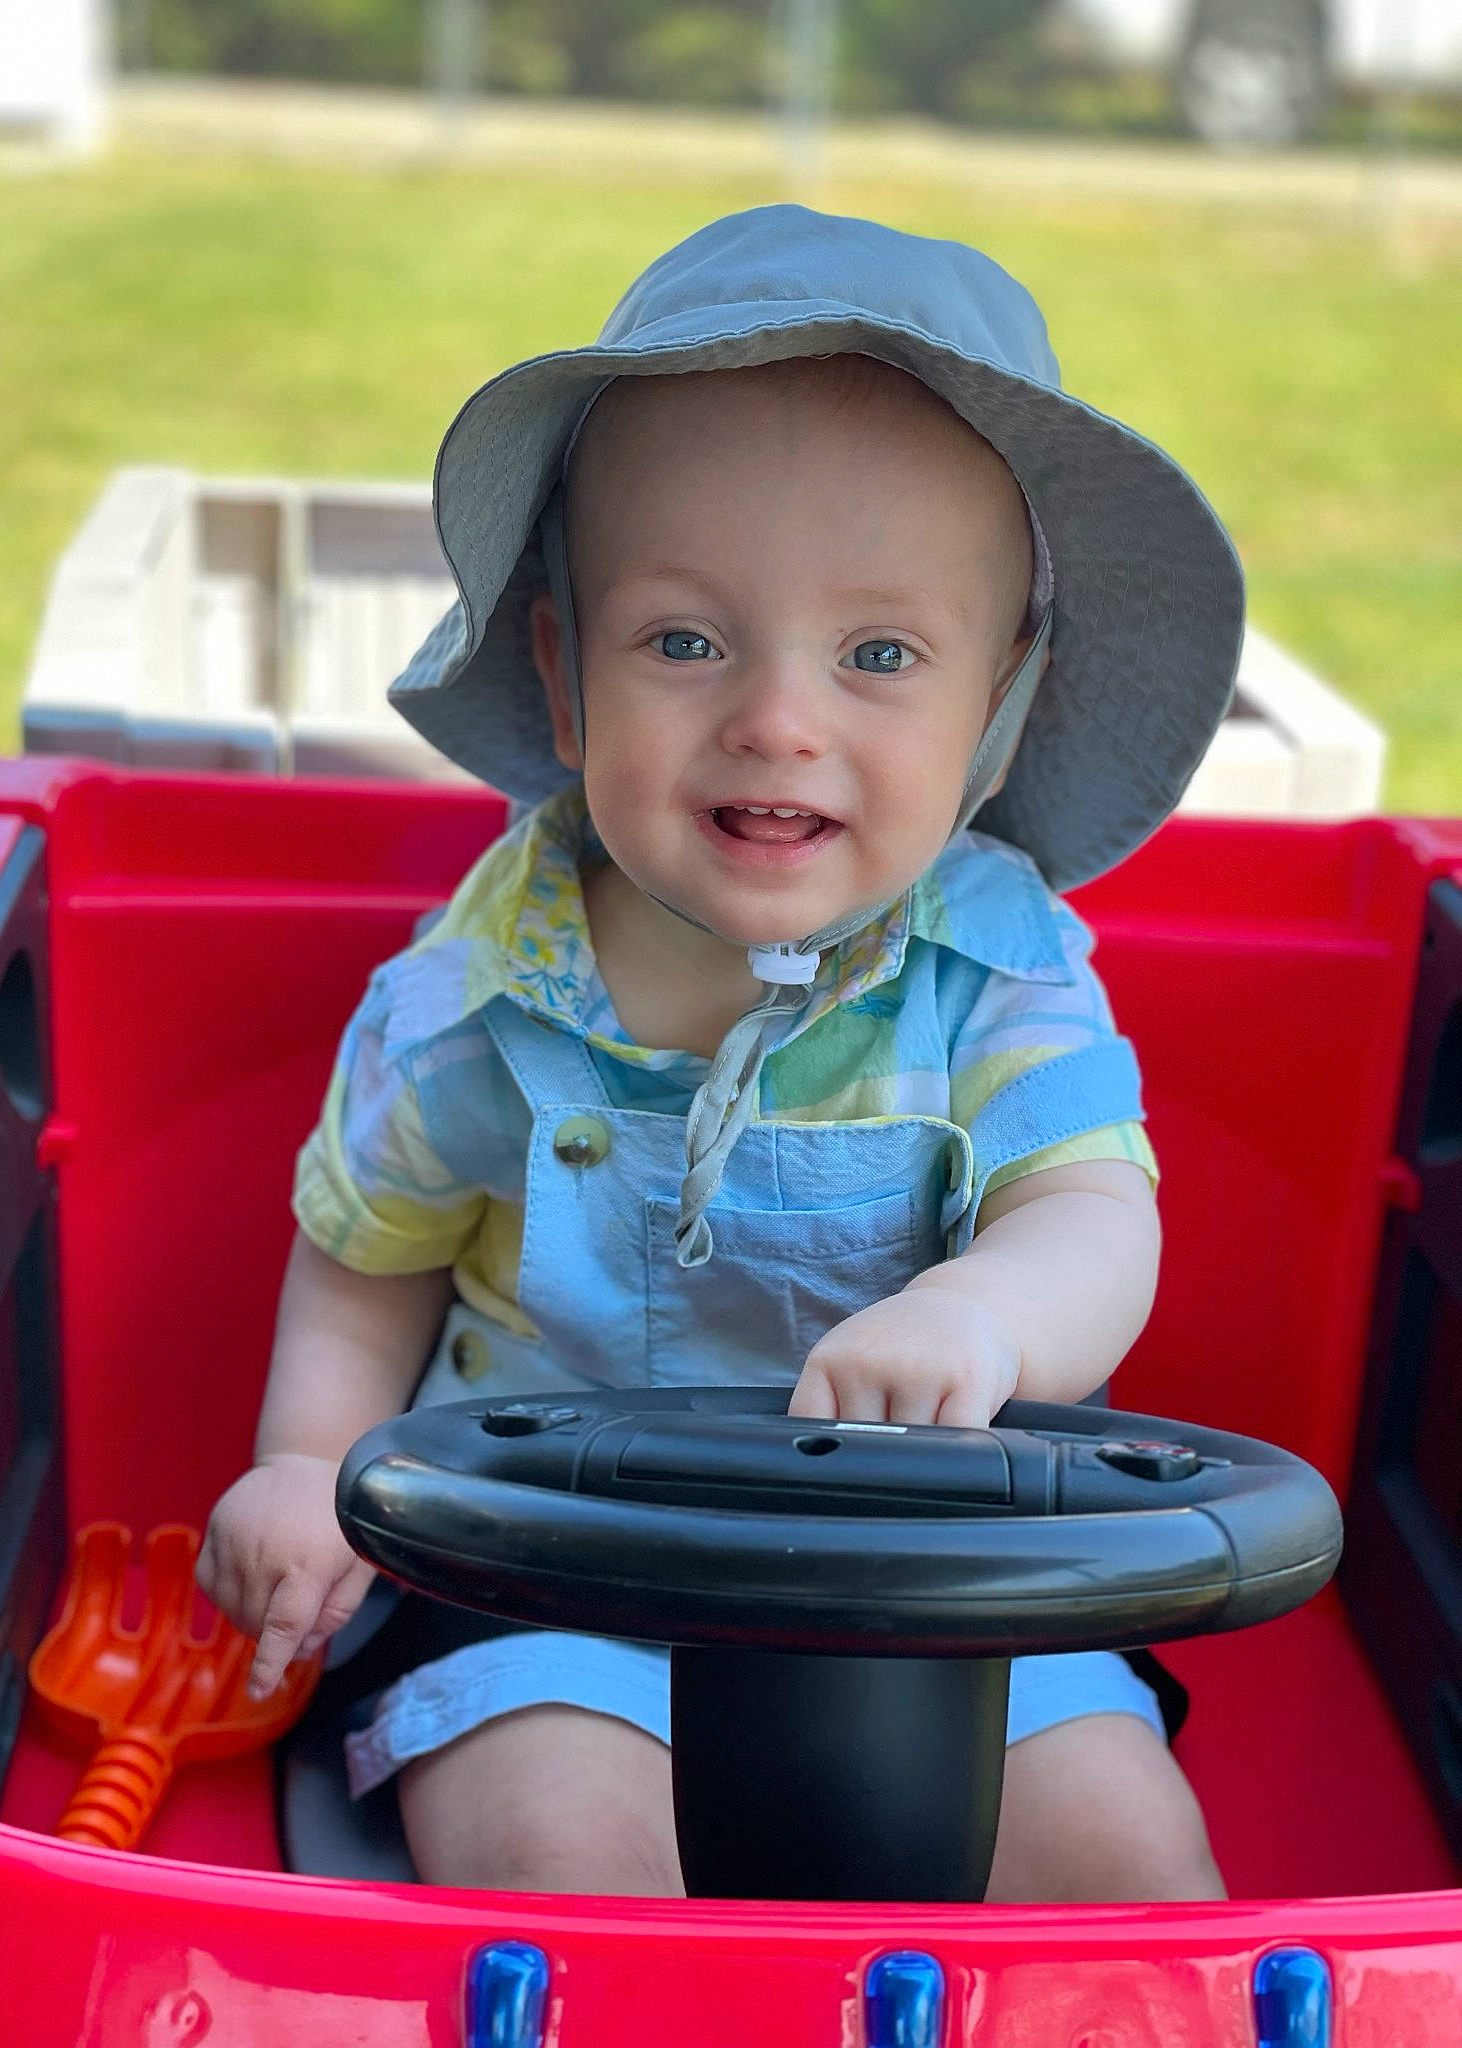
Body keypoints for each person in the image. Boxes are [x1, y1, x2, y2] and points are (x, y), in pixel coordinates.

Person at [197, 204, 1244, 1903]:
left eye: (880, 654)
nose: (776, 717)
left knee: (1130, 1874)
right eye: (684, 640)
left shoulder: (994, 973)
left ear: (999, 718)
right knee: (560, 1866)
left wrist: (983, 1313)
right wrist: (310, 1467)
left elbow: (1093, 1213)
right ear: (560, 672)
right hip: (550, 1583)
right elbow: (363, 1258)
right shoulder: (479, 994)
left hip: (954, 1583)